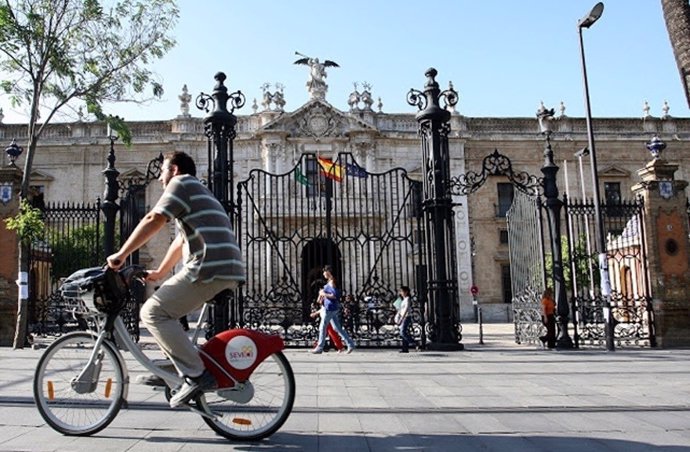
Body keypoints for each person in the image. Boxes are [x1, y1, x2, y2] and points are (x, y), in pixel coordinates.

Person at [107, 151, 245, 407]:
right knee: (162, 312)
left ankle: (195, 374)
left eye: (162, 171)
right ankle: (176, 370)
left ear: (175, 169)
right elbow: (181, 240)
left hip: (209, 266)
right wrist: (159, 273)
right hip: (224, 267)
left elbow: (154, 218)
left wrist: (121, 254)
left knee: (152, 313)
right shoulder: (197, 190)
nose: (160, 179)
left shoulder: (180, 184)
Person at [311, 265, 355, 354]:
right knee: (337, 328)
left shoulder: (331, 282)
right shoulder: (330, 282)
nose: (323, 273)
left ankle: (319, 347)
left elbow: (334, 296)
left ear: (328, 272)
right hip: (332, 308)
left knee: (322, 327)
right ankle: (350, 344)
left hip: (330, 308)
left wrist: (323, 293)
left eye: (324, 271)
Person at [395, 286, 415, 353]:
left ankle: (414, 343)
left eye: (402, 291)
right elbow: (401, 309)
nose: (401, 293)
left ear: (406, 292)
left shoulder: (408, 299)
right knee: (403, 332)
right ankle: (405, 348)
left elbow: (406, 309)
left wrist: (402, 318)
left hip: (406, 317)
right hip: (403, 317)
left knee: (402, 332)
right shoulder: (403, 299)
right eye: (400, 291)